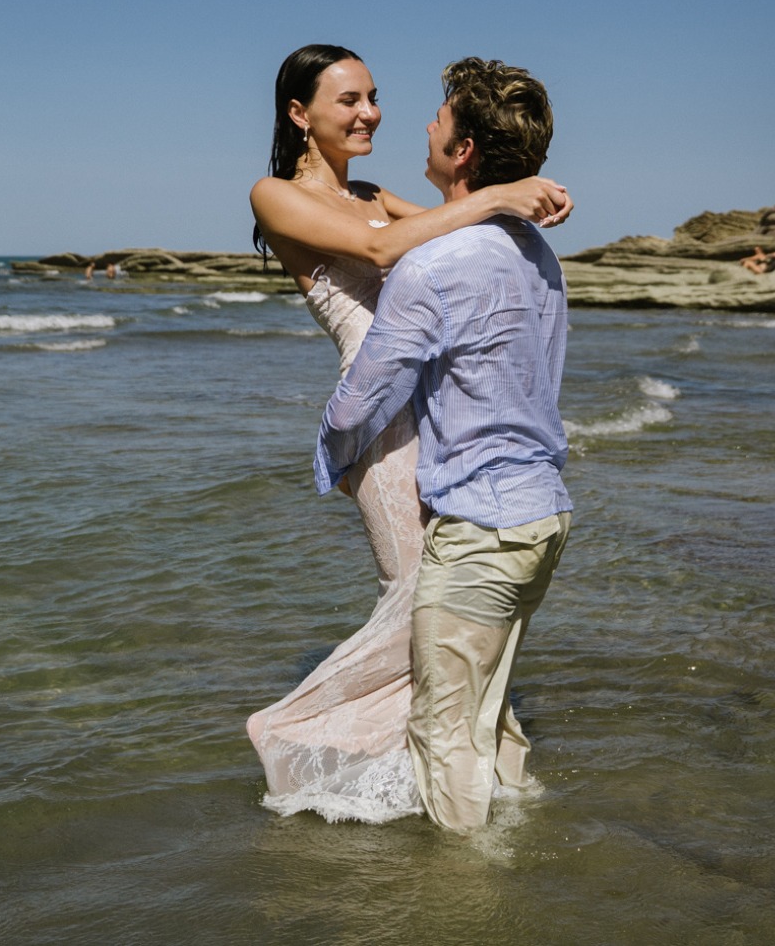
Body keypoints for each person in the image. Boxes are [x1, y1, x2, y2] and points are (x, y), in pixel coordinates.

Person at [245, 44, 571, 823]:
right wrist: (506, 193)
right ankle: (298, 734)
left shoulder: (373, 191)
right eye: (348, 100)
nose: (370, 113)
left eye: (374, 96)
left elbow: (459, 246)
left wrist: (510, 202)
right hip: (381, 423)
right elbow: (385, 251)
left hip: (434, 413)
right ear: (300, 114)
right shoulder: (275, 195)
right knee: (421, 602)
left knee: (448, 608)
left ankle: (470, 780)